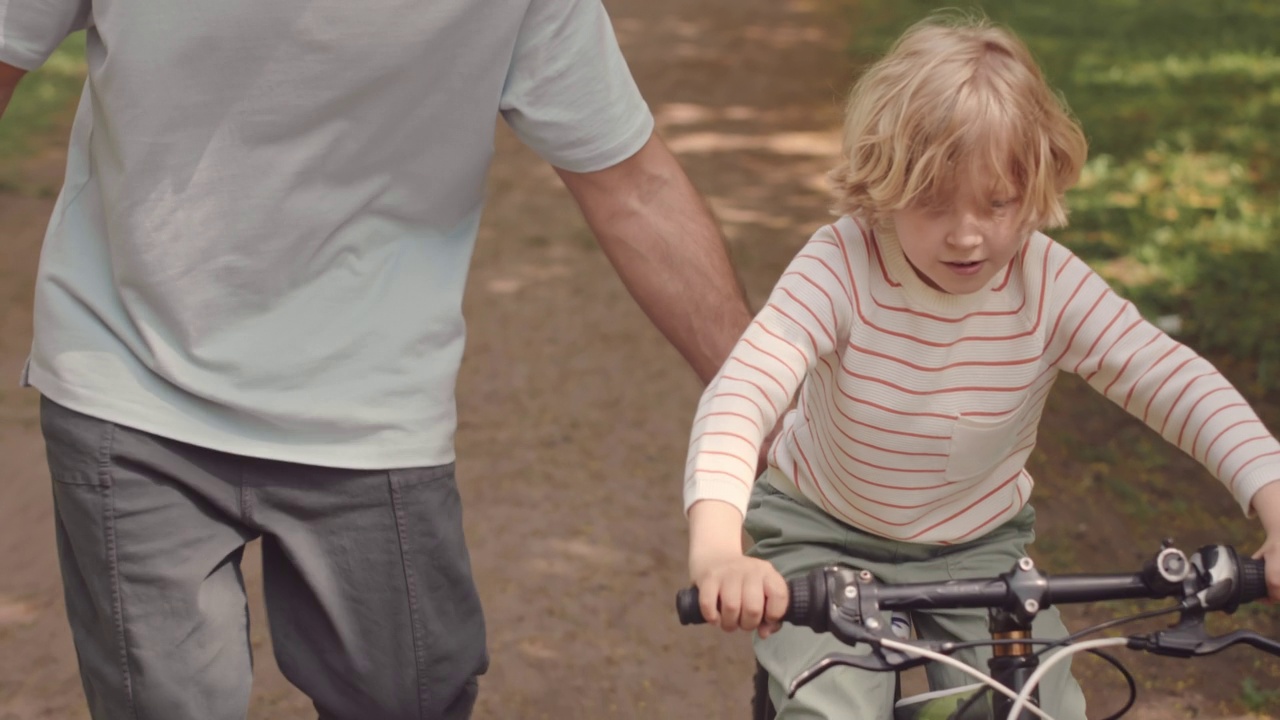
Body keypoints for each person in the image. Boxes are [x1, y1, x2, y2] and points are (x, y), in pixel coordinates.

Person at [0, 1, 757, 719]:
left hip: (371, 411)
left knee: (412, 697)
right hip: (130, 377)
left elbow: (631, 185)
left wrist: (767, 410)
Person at [682, 14, 1280, 719]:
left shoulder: (1046, 282)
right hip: (822, 534)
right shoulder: (841, 265)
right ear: (885, 182)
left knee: (1039, 704)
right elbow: (744, 392)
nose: (967, 235)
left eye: (998, 203)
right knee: (834, 706)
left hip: (979, 546)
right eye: (933, 204)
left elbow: (1172, 380)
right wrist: (719, 547)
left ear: (1036, 186)